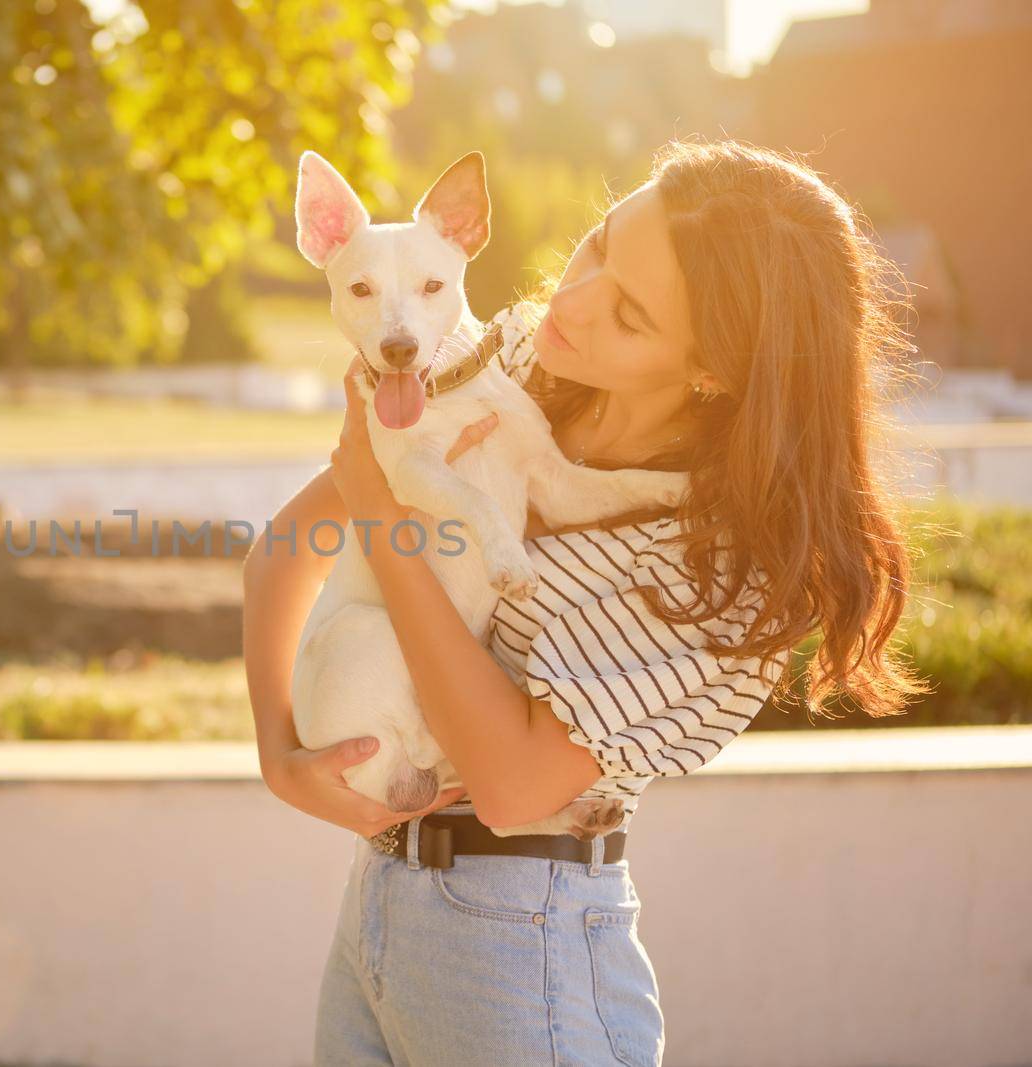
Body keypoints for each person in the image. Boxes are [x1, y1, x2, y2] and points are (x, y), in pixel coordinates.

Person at [241, 138, 929, 1066]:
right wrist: (279, 756)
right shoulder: (502, 359)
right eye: (600, 244)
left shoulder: (726, 572)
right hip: (377, 907)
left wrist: (383, 515)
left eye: (631, 312)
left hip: (521, 951)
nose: (572, 301)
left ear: (714, 366)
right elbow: (282, 551)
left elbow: (514, 783)